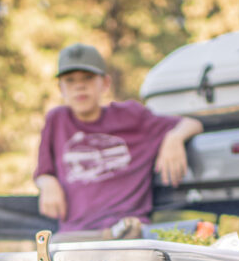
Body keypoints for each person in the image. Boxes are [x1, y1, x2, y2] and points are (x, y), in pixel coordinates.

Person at [34, 43, 203, 232]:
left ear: (105, 83)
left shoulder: (131, 116)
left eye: (88, 78)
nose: (79, 86)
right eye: (70, 80)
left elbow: (192, 123)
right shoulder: (57, 120)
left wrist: (174, 138)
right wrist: (47, 182)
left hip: (126, 231)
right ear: (61, 88)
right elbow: (43, 171)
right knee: (46, 254)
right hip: (75, 234)